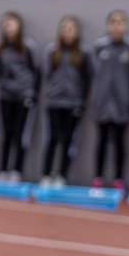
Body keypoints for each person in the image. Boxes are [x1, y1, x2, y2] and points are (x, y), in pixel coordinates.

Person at [89, 10, 129, 190]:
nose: (117, 26)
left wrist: (125, 94)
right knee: (101, 141)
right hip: (102, 103)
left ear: (125, 26)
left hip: (122, 103)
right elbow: (95, 72)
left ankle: (119, 178)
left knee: (119, 142)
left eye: (121, 22)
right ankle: (98, 177)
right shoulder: (99, 47)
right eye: (113, 22)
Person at [40, 15, 91, 187]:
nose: (68, 32)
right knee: (52, 138)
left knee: (68, 140)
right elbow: (47, 73)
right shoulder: (52, 51)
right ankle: (46, 174)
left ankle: (62, 174)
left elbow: (87, 78)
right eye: (65, 28)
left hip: (73, 103)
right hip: (54, 102)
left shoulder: (83, 53)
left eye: (72, 29)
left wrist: (80, 100)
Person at [0, 11, 39, 182]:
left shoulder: (28, 47)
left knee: (21, 134)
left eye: (12, 24)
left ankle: (17, 170)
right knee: (6, 134)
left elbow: (35, 71)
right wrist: (6, 87)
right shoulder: (0, 48)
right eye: (5, 25)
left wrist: (29, 92)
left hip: (24, 97)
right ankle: (3, 169)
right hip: (6, 97)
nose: (9, 28)